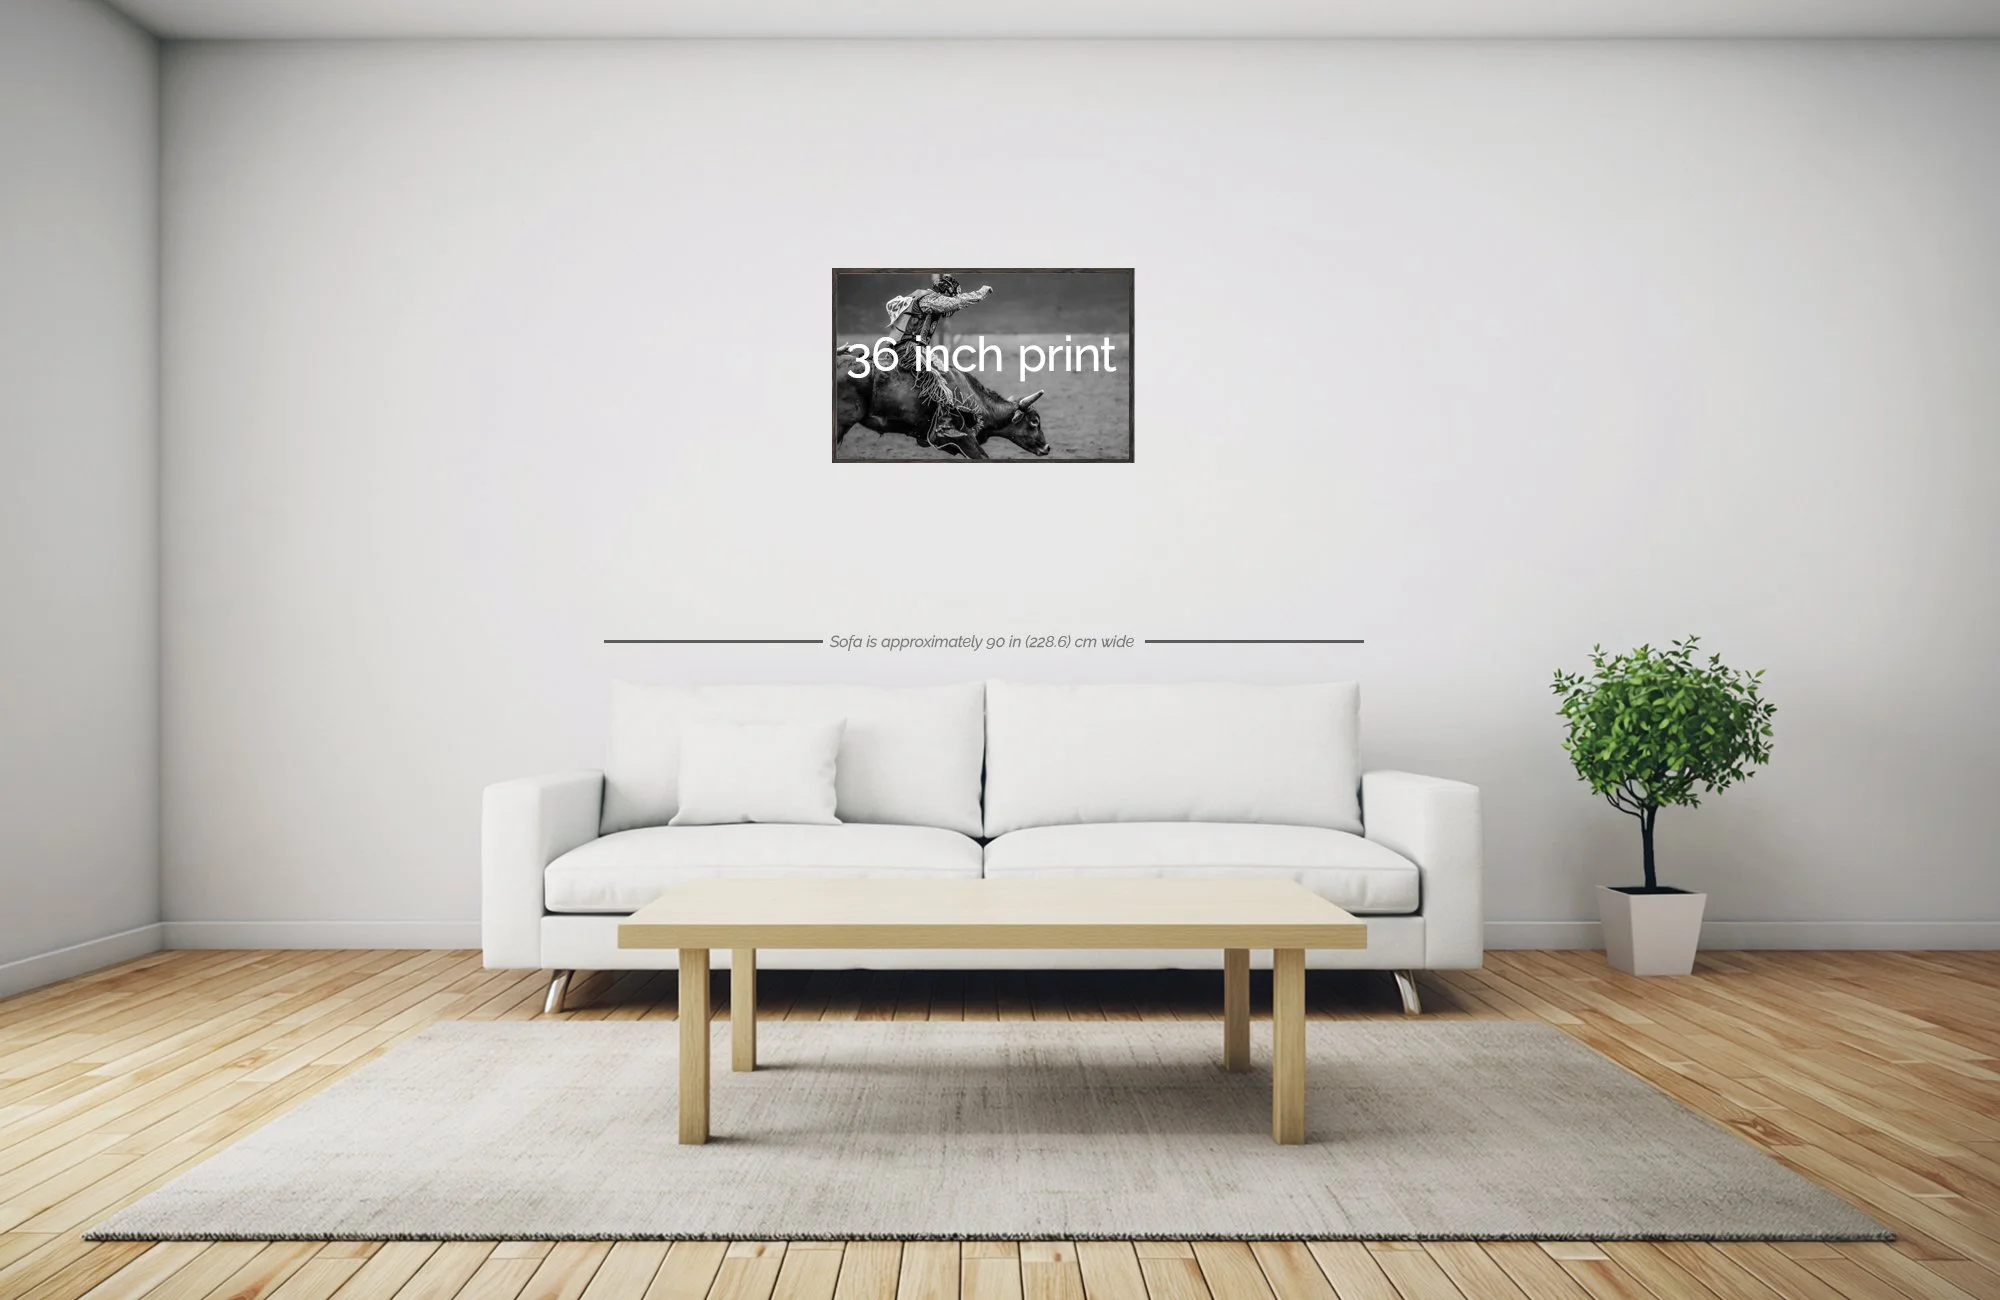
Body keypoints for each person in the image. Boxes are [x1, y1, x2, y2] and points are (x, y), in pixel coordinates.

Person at [883, 274, 993, 447]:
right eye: (953, 295)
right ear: (947, 292)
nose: (954, 300)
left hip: (911, 347)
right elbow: (955, 303)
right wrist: (980, 293)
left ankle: (949, 413)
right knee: (935, 379)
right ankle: (943, 424)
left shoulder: (920, 296)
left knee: (945, 372)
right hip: (907, 349)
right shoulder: (930, 300)